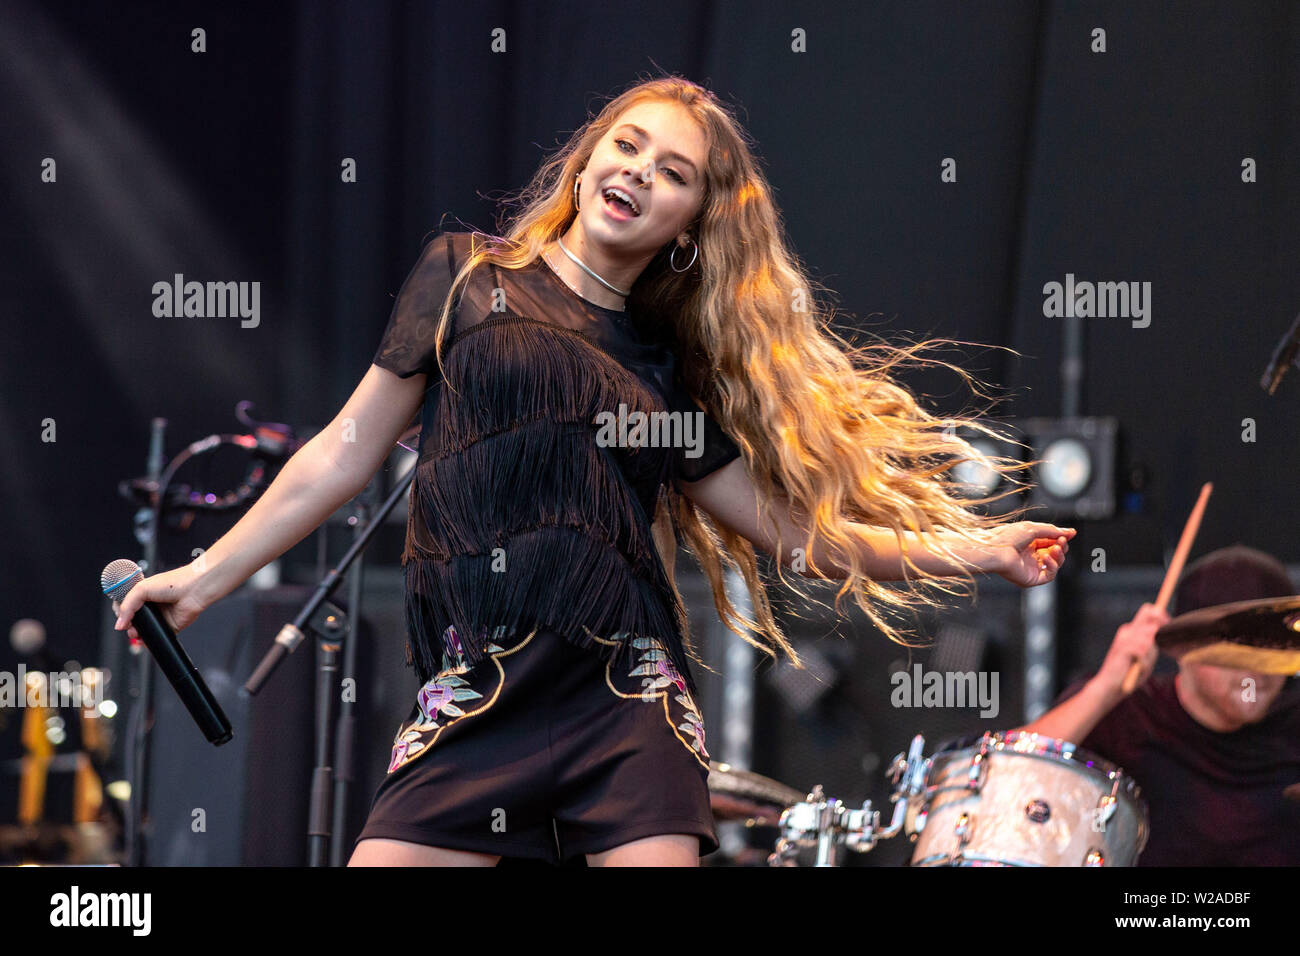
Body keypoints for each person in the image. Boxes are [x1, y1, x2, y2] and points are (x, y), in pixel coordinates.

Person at [112, 75, 1074, 868]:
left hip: (621, 696)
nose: (639, 174)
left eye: (674, 173)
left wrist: (981, 549)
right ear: (586, 159)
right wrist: (202, 578)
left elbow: (795, 535)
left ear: (693, 221)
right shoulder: (467, 277)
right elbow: (342, 453)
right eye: (626, 146)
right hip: (477, 685)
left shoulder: (662, 372)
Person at [1012, 544, 1300, 865]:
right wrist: (1105, 687)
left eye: (1275, 645)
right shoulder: (1125, 711)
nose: (1257, 670)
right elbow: (1007, 780)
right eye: (1237, 648)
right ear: (1182, 647)